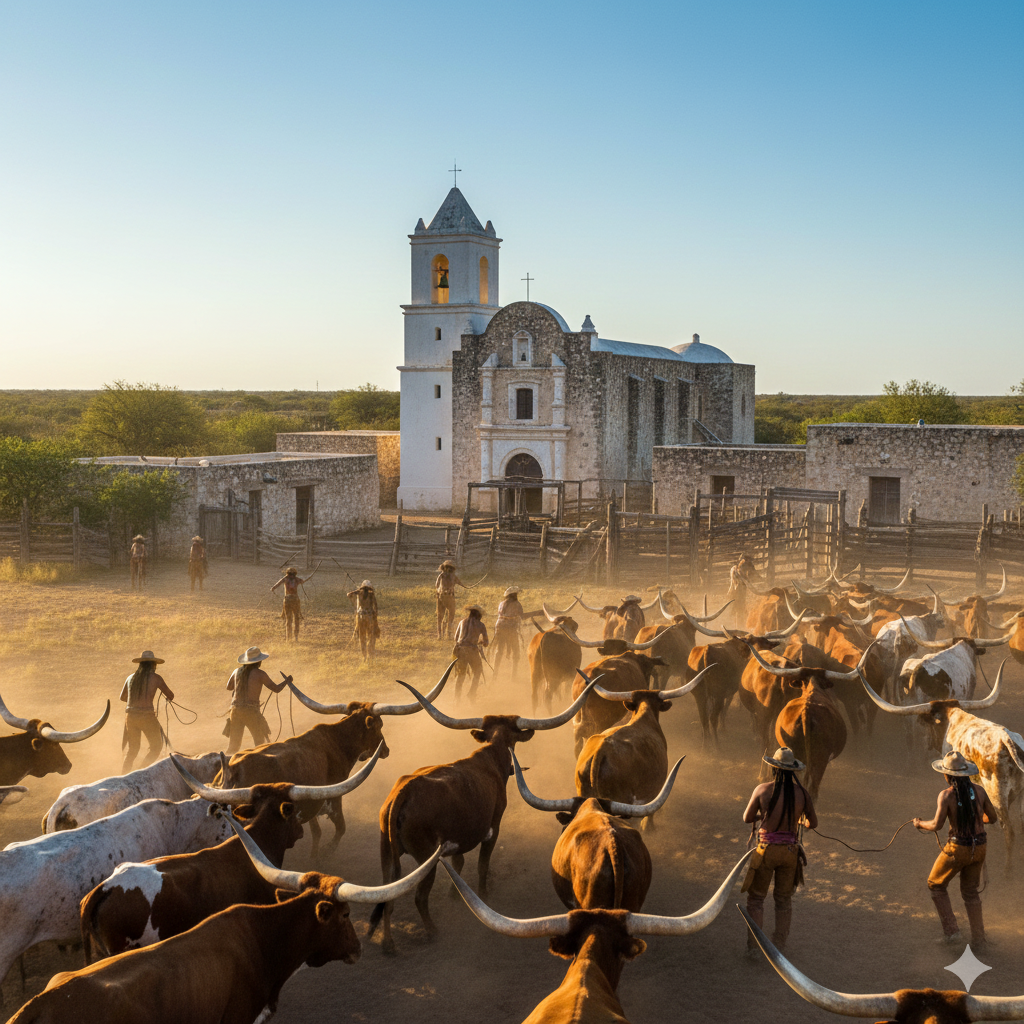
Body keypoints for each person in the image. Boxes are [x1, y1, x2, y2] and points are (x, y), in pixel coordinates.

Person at [913, 750, 997, 948]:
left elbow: (936, 825)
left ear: (947, 775)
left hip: (958, 848)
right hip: (980, 848)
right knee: (970, 892)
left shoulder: (946, 796)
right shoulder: (980, 791)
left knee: (935, 884)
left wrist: (919, 824)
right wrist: (977, 820)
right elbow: (992, 818)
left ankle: (952, 933)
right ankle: (978, 939)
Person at [741, 746, 817, 956]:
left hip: (766, 851)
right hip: (790, 853)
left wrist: (763, 818)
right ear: (792, 770)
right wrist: (797, 819)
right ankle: (779, 947)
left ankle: (755, 948)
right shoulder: (802, 793)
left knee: (756, 899)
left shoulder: (762, 789)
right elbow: (813, 823)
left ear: (774, 768)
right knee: (783, 900)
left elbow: (747, 818)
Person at [224, 646, 290, 754]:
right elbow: (276, 689)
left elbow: (229, 687)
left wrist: (240, 686)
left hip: (235, 711)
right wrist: (287, 681)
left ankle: (225, 766)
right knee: (260, 744)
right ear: (258, 662)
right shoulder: (260, 674)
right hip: (251, 712)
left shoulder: (236, 671)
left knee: (233, 746)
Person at [119, 650, 173, 773]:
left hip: (131, 717)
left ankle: (123, 775)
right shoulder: (156, 678)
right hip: (147, 717)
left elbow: (122, 697)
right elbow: (170, 695)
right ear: (153, 665)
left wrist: (135, 699)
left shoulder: (130, 678)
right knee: (156, 747)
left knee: (132, 750)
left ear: (141, 664)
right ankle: (140, 772)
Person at [453, 605, 489, 700]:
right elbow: (486, 643)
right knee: (477, 672)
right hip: (472, 651)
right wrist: (480, 642)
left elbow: (456, 638)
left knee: (461, 675)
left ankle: (457, 698)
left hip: (460, 650)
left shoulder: (462, 622)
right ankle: (471, 694)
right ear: (478, 615)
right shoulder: (481, 625)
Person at [271, 567, 313, 641]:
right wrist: (273, 588)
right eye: (290, 574)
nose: (291, 576)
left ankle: (295, 637)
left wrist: (310, 576)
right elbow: (277, 584)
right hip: (289, 600)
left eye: (293, 574)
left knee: (296, 619)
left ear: (295, 574)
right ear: (288, 574)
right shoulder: (287, 579)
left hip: (293, 600)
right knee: (289, 620)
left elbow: (303, 581)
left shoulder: (293, 579)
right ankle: (289, 638)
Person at [492, 586, 524, 678]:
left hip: (499, 627)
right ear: (514, 595)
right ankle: (514, 676)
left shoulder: (501, 603)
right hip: (510, 628)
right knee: (516, 651)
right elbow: (522, 616)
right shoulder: (517, 604)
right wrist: (538, 613)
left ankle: (495, 674)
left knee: (499, 650)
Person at [435, 560, 469, 641]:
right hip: (448, 597)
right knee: (450, 615)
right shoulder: (451, 576)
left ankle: (441, 635)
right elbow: (461, 584)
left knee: (441, 616)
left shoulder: (442, 575)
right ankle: (446, 634)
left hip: (441, 596)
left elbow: (436, 585)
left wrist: (440, 592)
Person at [347, 579, 380, 661]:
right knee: (371, 637)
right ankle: (370, 655)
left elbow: (348, 595)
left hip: (360, 618)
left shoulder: (358, 593)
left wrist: (357, 590)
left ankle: (364, 656)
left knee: (362, 638)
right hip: (370, 618)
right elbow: (375, 608)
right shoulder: (371, 594)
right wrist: (376, 622)